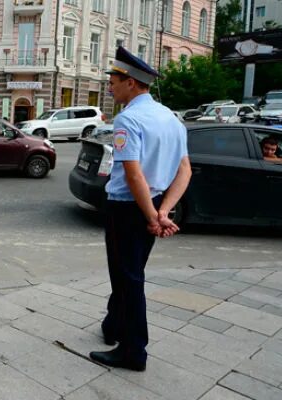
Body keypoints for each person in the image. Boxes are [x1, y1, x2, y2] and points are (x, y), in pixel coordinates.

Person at [89, 47, 192, 372]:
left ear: (131, 83)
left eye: (114, 80)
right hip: (153, 205)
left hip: (127, 209)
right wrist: (163, 212)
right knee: (128, 273)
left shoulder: (129, 119)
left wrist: (151, 216)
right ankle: (113, 326)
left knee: (128, 278)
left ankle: (133, 351)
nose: (110, 87)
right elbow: (185, 170)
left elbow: (133, 174)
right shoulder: (171, 118)